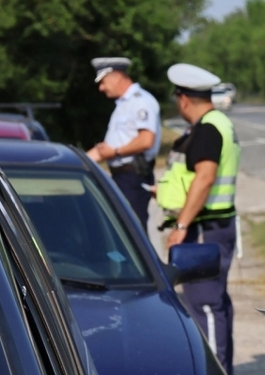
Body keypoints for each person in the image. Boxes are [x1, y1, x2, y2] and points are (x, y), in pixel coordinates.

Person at [156, 63, 241, 374]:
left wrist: (181, 226)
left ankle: (216, 370)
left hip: (205, 227)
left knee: (205, 303)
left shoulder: (207, 128)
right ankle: (221, 367)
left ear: (183, 99)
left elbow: (204, 178)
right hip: (213, 225)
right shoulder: (217, 123)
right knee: (213, 301)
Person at [86, 57, 161, 228]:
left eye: (103, 82)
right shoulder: (122, 105)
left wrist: (115, 152)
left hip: (133, 176)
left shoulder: (140, 101)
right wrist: (74, 161)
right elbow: (106, 148)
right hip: (122, 177)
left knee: (133, 229)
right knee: (121, 227)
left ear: (116, 77)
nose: (101, 88)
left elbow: (146, 140)